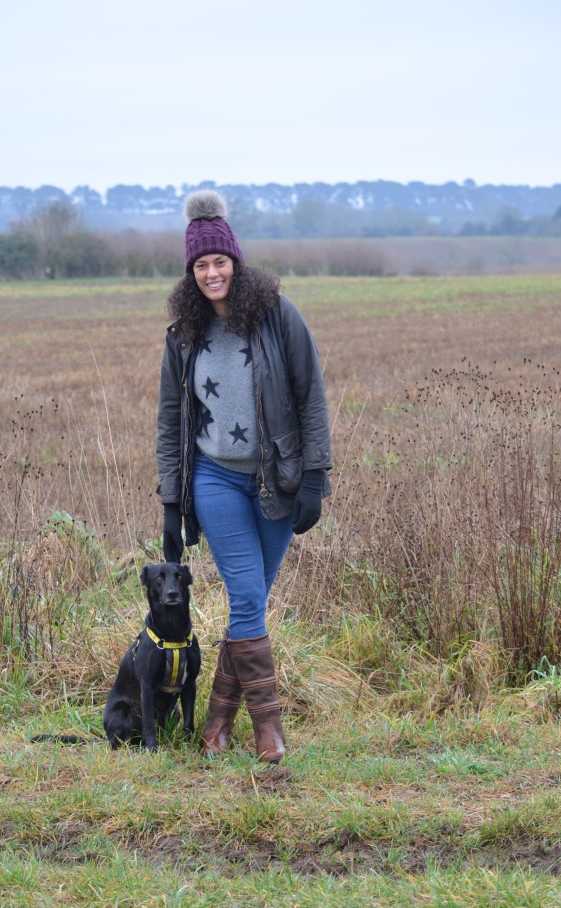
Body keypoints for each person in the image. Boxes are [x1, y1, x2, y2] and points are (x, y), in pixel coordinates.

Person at [156, 189, 332, 764]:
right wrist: (171, 504)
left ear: (236, 261)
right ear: (191, 273)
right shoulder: (183, 333)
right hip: (215, 479)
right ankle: (269, 732)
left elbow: (311, 396)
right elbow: (171, 422)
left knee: (248, 605)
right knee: (249, 595)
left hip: (276, 478)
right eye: (201, 265)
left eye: (220, 261)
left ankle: (215, 724)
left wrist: (314, 476)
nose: (212, 273)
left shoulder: (277, 315)